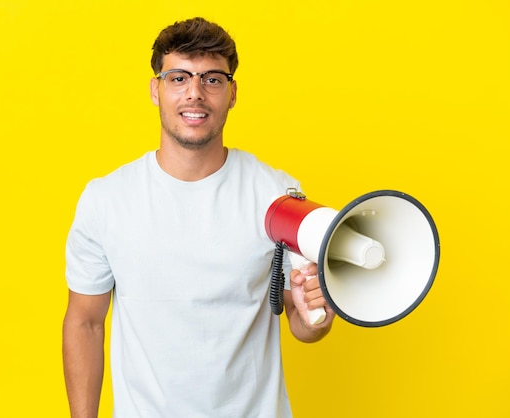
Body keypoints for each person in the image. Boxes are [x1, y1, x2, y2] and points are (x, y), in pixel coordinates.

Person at [62, 16, 335, 418]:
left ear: (232, 92)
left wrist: (317, 317)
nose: (195, 93)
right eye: (178, 78)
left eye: (211, 79)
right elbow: (85, 323)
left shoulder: (277, 195)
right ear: (156, 90)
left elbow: (301, 320)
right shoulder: (107, 200)